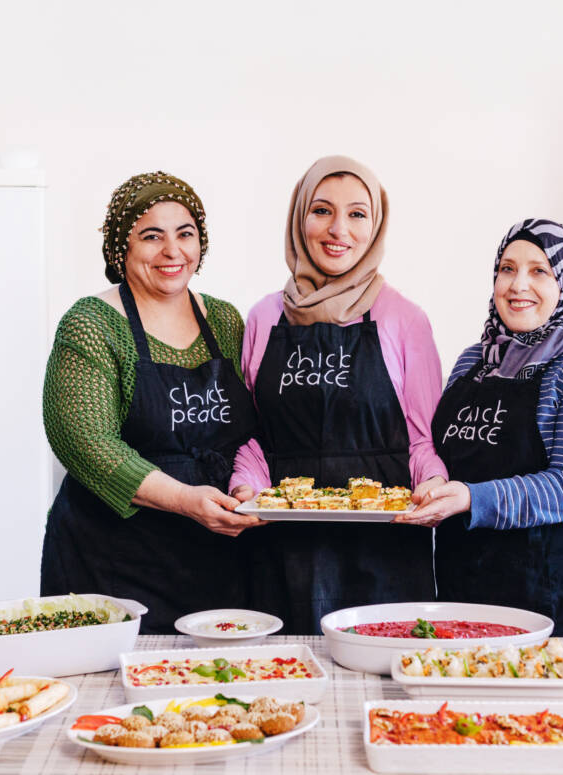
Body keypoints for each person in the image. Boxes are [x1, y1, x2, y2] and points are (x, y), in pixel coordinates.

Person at [229, 155, 448, 634]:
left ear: (376, 226)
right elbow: (254, 437)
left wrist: (432, 483)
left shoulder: (405, 319)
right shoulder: (264, 316)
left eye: (357, 214)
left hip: (384, 552)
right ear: (299, 217)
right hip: (281, 546)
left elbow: (422, 440)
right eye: (322, 210)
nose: (338, 230)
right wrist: (245, 487)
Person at [398, 218, 563, 636]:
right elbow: (440, 453)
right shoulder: (474, 361)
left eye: (539, 271)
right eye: (507, 269)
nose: (518, 285)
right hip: (474, 581)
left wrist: (472, 498)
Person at [40, 171, 260, 634]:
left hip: (219, 555)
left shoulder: (224, 320)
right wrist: (183, 498)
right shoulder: (92, 324)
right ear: (121, 247)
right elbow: (84, 442)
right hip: (114, 559)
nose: (172, 251)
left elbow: (253, 428)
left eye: (185, 234)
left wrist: (248, 485)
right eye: (152, 236)